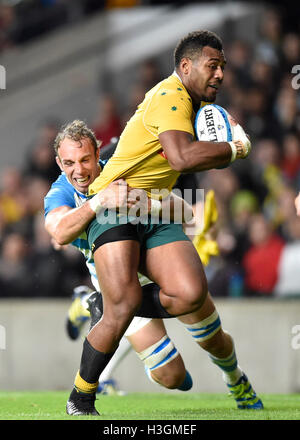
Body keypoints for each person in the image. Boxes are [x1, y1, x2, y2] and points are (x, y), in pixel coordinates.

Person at [65, 30, 262, 415]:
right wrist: (233, 149)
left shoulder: (189, 106)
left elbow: (181, 166)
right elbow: (181, 159)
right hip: (114, 209)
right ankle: (81, 398)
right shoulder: (170, 96)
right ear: (185, 66)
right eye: (212, 65)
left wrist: (221, 155)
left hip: (153, 209)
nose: (220, 74)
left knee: (191, 294)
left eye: (222, 66)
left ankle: (108, 302)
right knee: (167, 369)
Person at [44, 120, 196, 410]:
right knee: (173, 376)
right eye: (68, 163)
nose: (78, 170)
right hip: (114, 281)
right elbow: (60, 231)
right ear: (58, 163)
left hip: (147, 269)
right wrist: (99, 201)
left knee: (181, 377)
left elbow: (185, 207)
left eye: (85, 159)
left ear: (98, 152)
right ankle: (100, 302)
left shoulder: (124, 169)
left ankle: (95, 303)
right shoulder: (59, 192)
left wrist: (150, 203)